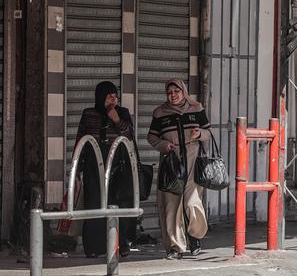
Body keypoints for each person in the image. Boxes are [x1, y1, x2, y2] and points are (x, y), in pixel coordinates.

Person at [147, 78, 212, 260]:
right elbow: (151, 138)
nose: (173, 95)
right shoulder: (160, 113)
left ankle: (194, 236)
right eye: (169, 92)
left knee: (191, 202)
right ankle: (175, 247)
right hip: (171, 161)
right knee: (171, 205)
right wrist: (163, 145)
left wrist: (200, 134)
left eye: (176, 91)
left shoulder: (196, 109)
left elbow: (208, 132)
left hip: (193, 158)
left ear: (183, 92)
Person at [75, 81, 136, 258]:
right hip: (93, 164)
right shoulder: (89, 114)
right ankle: (95, 247)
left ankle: (120, 244)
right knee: (94, 202)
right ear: (100, 96)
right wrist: (77, 167)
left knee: (117, 203)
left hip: (118, 163)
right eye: (109, 95)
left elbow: (129, 135)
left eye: (115, 95)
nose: (113, 98)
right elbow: (81, 139)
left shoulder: (122, 113)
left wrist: (115, 117)